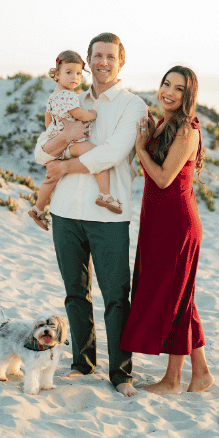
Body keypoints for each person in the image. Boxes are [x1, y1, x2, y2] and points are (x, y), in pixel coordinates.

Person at [38, 32, 148, 396]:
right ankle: (82, 364)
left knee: (116, 296)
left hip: (109, 216)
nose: (103, 62)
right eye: (97, 55)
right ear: (87, 61)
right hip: (66, 211)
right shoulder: (69, 97)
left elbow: (112, 154)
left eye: (110, 56)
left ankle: (121, 373)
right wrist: (62, 139)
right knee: (75, 293)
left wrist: (63, 164)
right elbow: (41, 152)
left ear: (121, 61)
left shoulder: (133, 106)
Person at [121, 66, 214, 394]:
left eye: (179, 89)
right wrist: (147, 138)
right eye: (166, 84)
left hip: (176, 224)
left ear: (188, 96)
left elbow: (162, 178)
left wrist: (141, 147)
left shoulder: (186, 130)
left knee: (177, 296)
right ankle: (200, 373)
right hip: (158, 222)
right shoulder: (164, 123)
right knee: (181, 294)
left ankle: (173, 380)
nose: (169, 92)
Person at [29, 49, 121, 233]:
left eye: (78, 73)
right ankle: (105, 195)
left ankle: (38, 208)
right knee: (97, 155)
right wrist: (92, 114)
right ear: (57, 74)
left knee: (50, 178)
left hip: (57, 143)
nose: (74, 77)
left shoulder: (53, 96)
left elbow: (47, 120)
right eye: (69, 72)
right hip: (71, 143)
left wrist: (56, 133)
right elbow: (79, 114)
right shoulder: (68, 95)